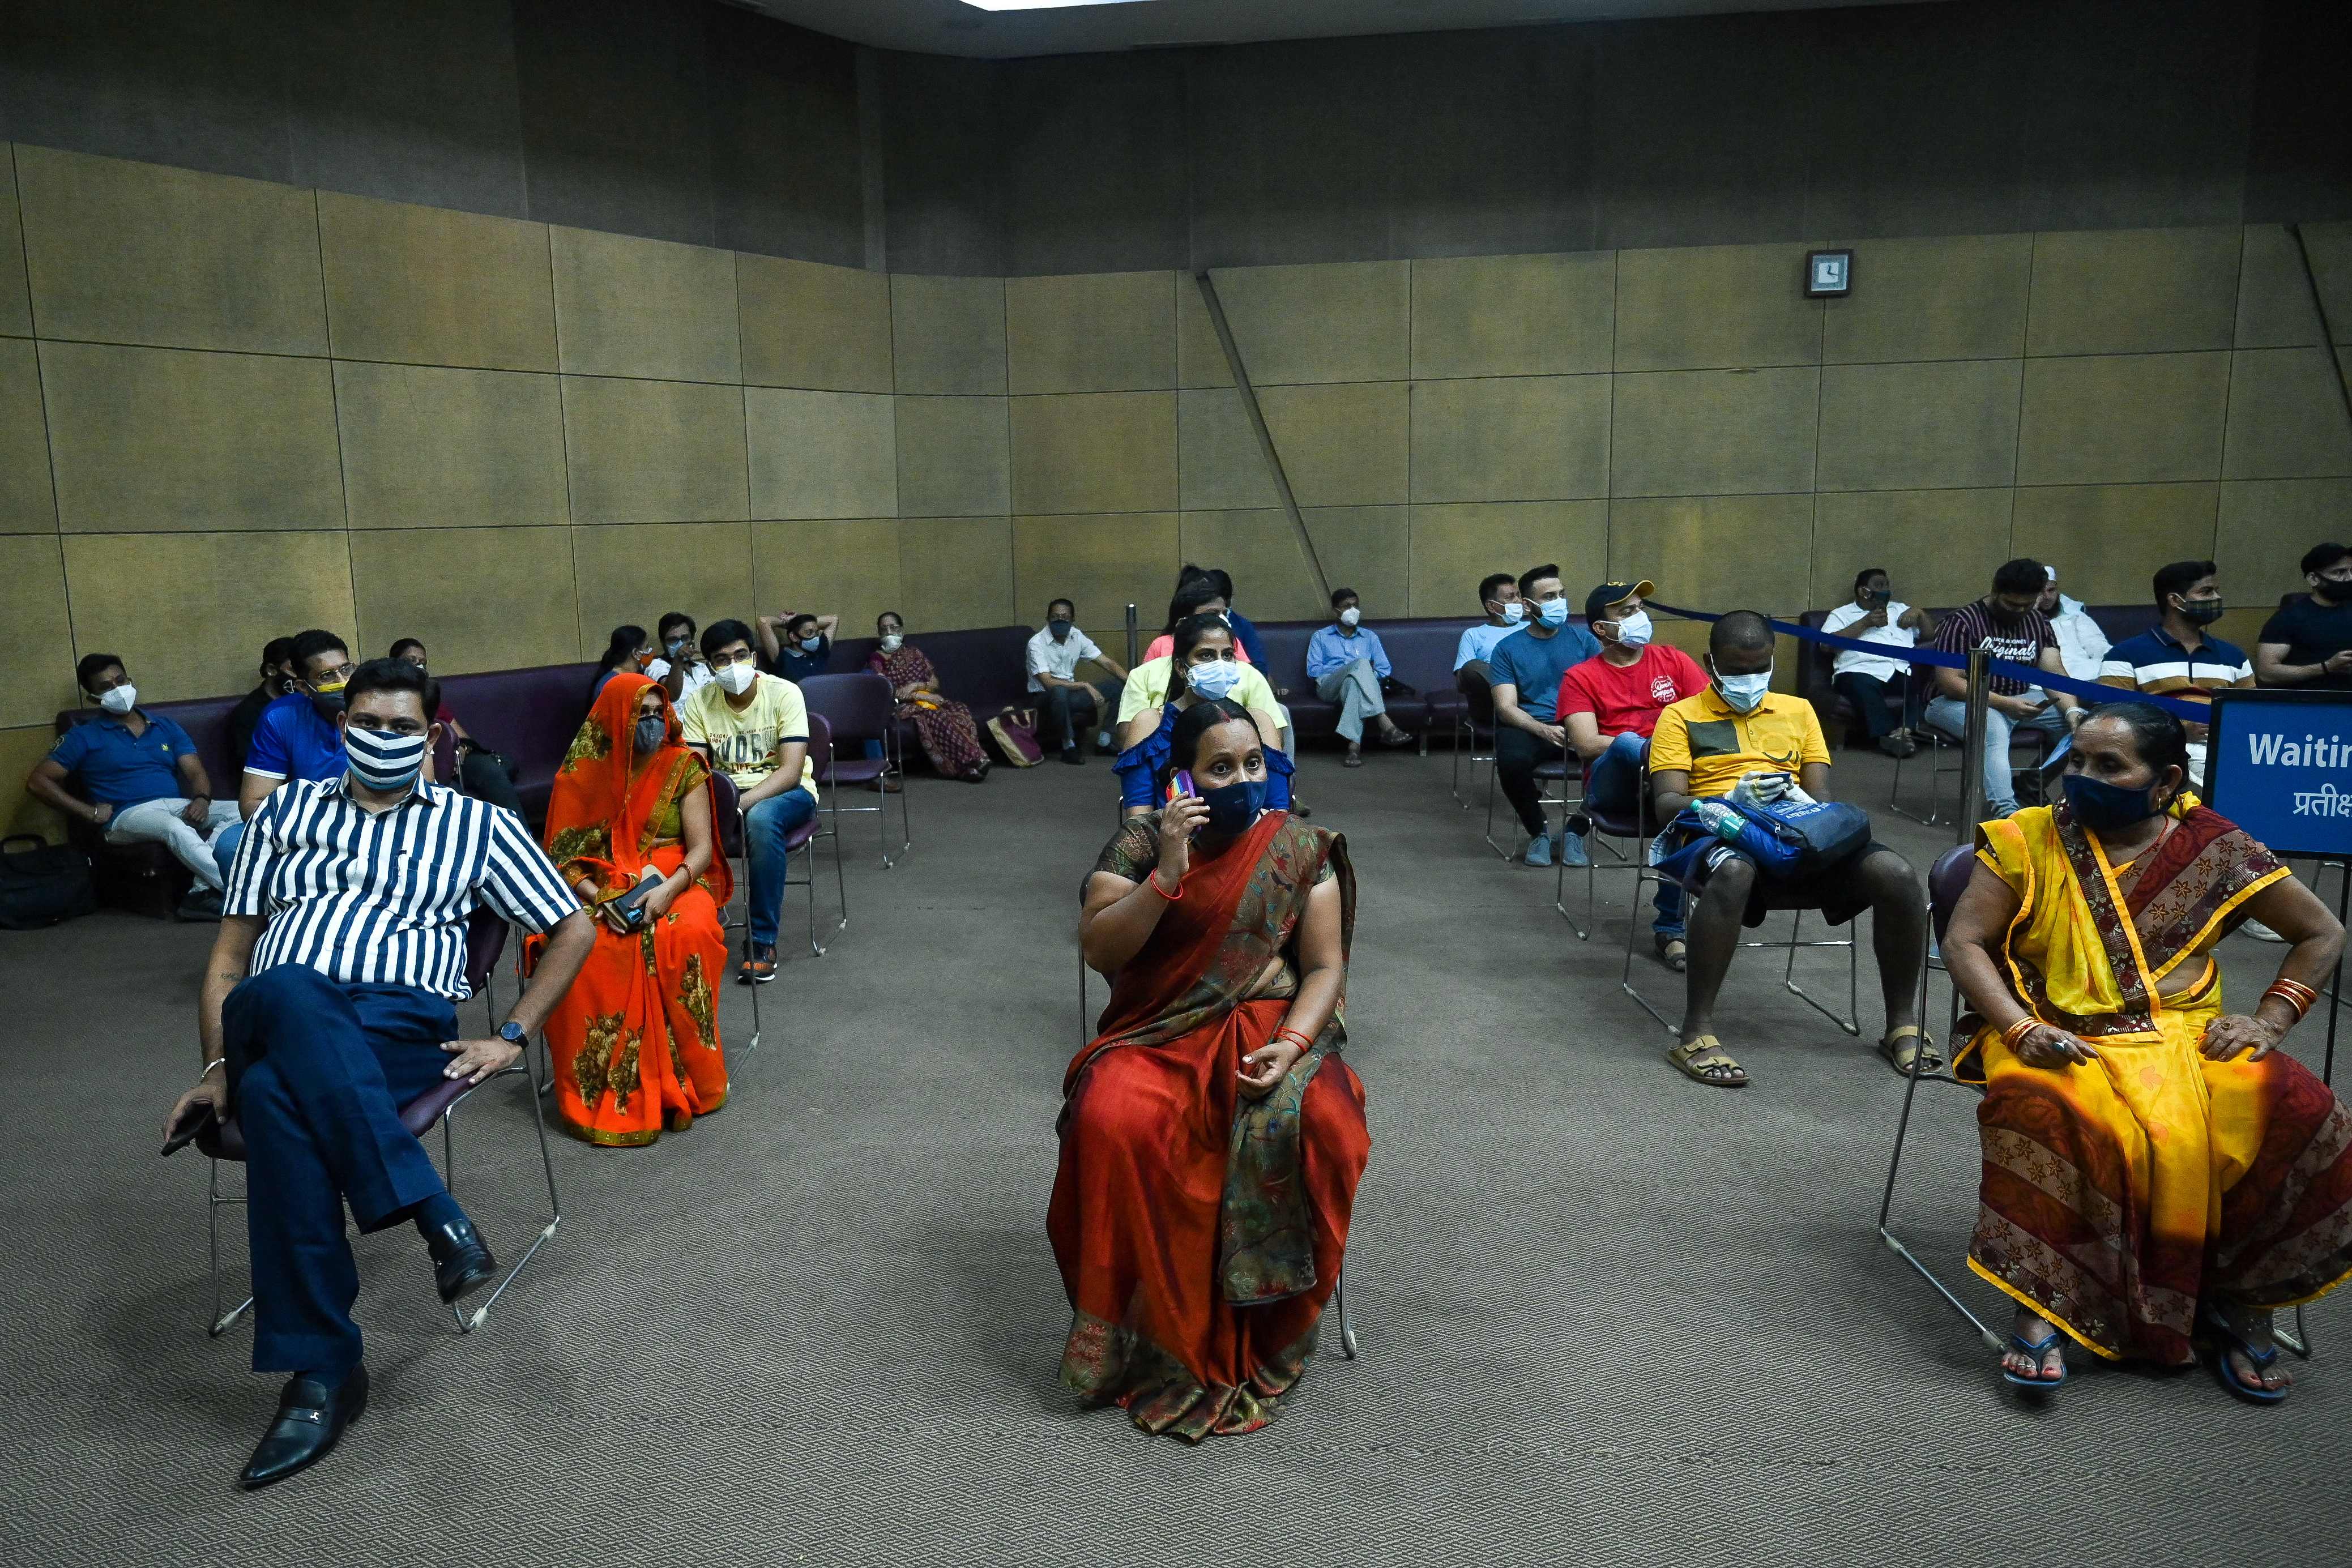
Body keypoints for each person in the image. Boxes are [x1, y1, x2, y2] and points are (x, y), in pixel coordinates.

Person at [159, 656, 592, 1489]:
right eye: (366, 723)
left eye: (400, 727)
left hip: (396, 1025)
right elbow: (228, 960)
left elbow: (570, 927)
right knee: (286, 985)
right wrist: (217, 1069)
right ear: (341, 727)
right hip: (272, 1013)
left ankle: (323, 1373)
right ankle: (431, 1209)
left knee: (284, 1107)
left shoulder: (479, 825)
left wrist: (511, 1032)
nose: (381, 738)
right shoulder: (284, 813)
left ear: (429, 733)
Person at [1940, 702, 2347, 1398]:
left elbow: (2323, 933)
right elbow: (1963, 942)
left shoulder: (2214, 847)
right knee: (2044, 1108)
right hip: (2052, 1032)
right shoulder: (2024, 837)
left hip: (2185, 1036)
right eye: (2076, 761)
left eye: (2108, 766)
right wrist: (2017, 1029)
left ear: (2164, 782)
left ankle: (2242, 1300)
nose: (2082, 777)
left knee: (2295, 1105)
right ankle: (2041, 1308)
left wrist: (2270, 1022)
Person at [1053, 698, 1367, 1439]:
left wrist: (1291, 1045)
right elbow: (1100, 947)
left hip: (1270, 1028)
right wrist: (1168, 871)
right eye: (1219, 768)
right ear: (1181, 779)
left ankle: (1268, 1330)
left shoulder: (1298, 848)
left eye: (1253, 764)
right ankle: (1146, 1335)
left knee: (1322, 1123)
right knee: (1112, 1116)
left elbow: (1324, 968)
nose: (1241, 781)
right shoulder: (1137, 843)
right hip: (1159, 1035)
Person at [1649, 611, 1930, 1087]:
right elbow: (1666, 804)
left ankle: (1901, 1023)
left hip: (1794, 829)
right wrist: (1728, 797)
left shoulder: (1798, 710)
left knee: (1897, 874)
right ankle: (1695, 1032)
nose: (1749, 680)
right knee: (1735, 872)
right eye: (1736, 672)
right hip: (1717, 827)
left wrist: (1796, 799)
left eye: (1759, 669)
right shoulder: (1680, 716)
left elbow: (1819, 799)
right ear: (1709, 663)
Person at [536, 673, 731, 1144]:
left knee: (680, 935)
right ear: (614, 719)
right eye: (639, 714)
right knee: (585, 945)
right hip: (601, 885)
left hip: (679, 875)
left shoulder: (683, 764)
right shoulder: (585, 771)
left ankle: (692, 1079)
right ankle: (606, 1086)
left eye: (656, 713)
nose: (651, 723)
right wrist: (598, 897)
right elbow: (563, 856)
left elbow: (702, 848)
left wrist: (668, 891)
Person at [1556, 582, 1707, 969]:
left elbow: (1709, 720)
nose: (1639, 617)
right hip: (1614, 787)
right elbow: (1587, 744)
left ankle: (1670, 930)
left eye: (1639, 607)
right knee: (1624, 743)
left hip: (1668, 783)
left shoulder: (1672, 660)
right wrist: (1658, 749)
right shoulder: (1580, 676)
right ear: (1601, 629)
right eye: (1625, 612)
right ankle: (1657, 766)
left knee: (1676, 815)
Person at [27, 653, 240, 919]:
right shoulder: (83, 736)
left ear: (130, 680)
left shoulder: (165, 726)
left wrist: (201, 799)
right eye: (107, 687)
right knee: (174, 827)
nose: (119, 690)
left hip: (173, 804)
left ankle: (199, 892)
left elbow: (196, 771)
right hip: (125, 816)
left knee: (246, 810)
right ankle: (242, 896)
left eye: (121, 681)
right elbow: (38, 782)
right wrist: (88, 812)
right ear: (94, 697)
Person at [680, 619, 819, 986]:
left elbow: (790, 771)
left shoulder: (784, 693)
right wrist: (715, 805)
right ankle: (701, 919)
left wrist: (737, 805)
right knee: (673, 815)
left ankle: (761, 941)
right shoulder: (700, 701)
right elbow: (694, 770)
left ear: (754, 656)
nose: (733, 665)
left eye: (741, 655)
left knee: (760, 819)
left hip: (787, 793)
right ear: (711, 667)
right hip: (725, 795)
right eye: (722, 659)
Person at [1924, 557, 2088, 819]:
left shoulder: (2038, 622)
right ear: (1995, 590)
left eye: (2027, 605)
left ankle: (2032, 785)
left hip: (2017, 699)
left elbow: (2054, 673)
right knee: (1991, 726)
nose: (2019, 611)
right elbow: (1950, 682)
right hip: (1953, 703)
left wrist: (2072, 713)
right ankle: (2007, 815)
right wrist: (2005, 705)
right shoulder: (1962, 622)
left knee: (2086, 727)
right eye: (2011, 604)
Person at [1114, 614, 1296, 818]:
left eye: (1227, 655)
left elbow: (1278, 812)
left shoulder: (1258, 722)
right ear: (1181, 668)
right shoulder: (1150, 723)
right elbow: (1139, 819)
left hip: (1252, 840)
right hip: (1172, 840)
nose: (1220, 665)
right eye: (1206, 656)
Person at [1483, 565, 1603, 868]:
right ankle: (1539, 832)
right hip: (1532, 726)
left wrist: (1582, 728)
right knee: (1511, 760)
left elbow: (1603, 694)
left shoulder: (1585, 642)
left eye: (1561, 594)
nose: (1559, 601)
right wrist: (1542, 730)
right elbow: (1506, 707)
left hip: (1580, 722)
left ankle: (1575, 832)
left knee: (1622, 759)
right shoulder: (1507, 649)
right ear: (1528, 605)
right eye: (1549, 596)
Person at [2096, 561, 2254, 787]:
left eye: (2217, 591)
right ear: (2174, 601)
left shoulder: (2234, 656)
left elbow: (2251, 714)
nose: (2216, 598)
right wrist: (2177, 730)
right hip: (2159, 753)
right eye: (2206, 592)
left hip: (2227, 749)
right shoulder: (2125, 654)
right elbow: (2110, 719)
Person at [222, 629, 359, 885]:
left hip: (376, 817)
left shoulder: (379, 705)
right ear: (303, 688)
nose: (342, 681)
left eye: (347, 669)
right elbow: (252, 803)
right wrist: (308, 832)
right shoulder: (280, 716)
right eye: (328, 675)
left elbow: (425, 786)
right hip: (307, 824)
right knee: (229, 844)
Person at [390, 639, 526, 818]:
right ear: (395, 664)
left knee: (491, 772)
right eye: (412, 661)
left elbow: (464, 738)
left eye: (423, 662)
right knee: (451, 801)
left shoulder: (432, 698)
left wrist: (462, 748)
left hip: (456, 763)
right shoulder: (389, 701)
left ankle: (520, 837)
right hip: (422, 767)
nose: (419, 667)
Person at [867, 610, 990, 782]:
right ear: (879, 634)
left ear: (902, 630)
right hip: (902, 706)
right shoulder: (877, 659)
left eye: (893, 628)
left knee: (959, 713)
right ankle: (976, 759)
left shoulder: (915, 653)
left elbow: (934, 683)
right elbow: (888, 691)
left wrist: (916, 686)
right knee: (934, 715)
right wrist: (919, 695)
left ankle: (966, 770)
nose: (889, 633)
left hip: (927, 699)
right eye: (884, 629)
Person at [1821, 569, 1930, 757]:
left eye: (1887, 585)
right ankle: (1888, 736)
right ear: (1863, 591)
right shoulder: (1841, 614)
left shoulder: (1900, 610)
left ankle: (1905, 732)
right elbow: (1826, 645)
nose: (1885, 590)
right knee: (1864, 685)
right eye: (1879, 585)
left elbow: (1931, 636)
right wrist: (1864, 623)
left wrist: (1920, 614)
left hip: (1897, 669)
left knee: (1917, 686)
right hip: (1857, 670)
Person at [1306, 587, 1415, 766]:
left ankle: (1354, 748)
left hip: (1353, 686)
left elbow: (1383, 669)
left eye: (1355, 606)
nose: (1353, 610)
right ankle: (1383, 721)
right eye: (1347, 606)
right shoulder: (1320, 637)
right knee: (1361, 664)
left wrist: (1357, 675)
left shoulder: (1369, 637)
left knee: (1354, 682)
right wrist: (1348, 669)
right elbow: (1314, 671)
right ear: (1336, 610)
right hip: (1328, 686)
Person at [1027, 597, 1129, 765]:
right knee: (1059, 692)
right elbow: (1048, 682)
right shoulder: (1036, 643)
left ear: (1072, 620)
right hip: (1044, 697)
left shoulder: (1076, 636)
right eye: (1055, 617)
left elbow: (1107, 663)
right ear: (1048, 619)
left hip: (1071, 695)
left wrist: (1133, 682)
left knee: (1119, 687)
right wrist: (1085, 685)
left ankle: (1105, 740)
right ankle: (1068, 746)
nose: (1060, 621)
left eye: (1065, 617)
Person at [2255, 541, 2352, 690]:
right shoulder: (2289, 618)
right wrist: (2326, 667)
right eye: (2340, 573)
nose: (2349, 578)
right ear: (2314, 579)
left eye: (2351, 571)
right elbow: (2266, 673)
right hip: (2307, 705)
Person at [1141, 576, 1254, 665]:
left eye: (1224, 613)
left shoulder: (1232, 642)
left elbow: (1248, 680)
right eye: (1212, 614)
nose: (1221, 619)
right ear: (1186, 618)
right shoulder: (1161, 644)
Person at [226, 636, 298, 772]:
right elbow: (254, 766)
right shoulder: (250, 713)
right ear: (272, 670)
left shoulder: (310, 703)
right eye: (294, 670)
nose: (301, 677)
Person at [2038, 567, 2112, 685]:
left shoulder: (2075, 616)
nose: (2047, 597)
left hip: (2091, 678)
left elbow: (2099, 647)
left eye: (2051, 590)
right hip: (2046, 684)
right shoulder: (2027, 624)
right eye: (2041, 592)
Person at [1453, 572, 1526, 673]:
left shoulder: (1531, 627)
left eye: (1518, 595)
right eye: (1510, 597)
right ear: (1491, 606)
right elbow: (1464, 677)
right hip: (1493, 685)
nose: (1518, 601)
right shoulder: (1473, 635)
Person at [645, 611, 715, 705]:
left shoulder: (702, 668)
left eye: (685, 638)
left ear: (692, 639)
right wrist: (679, 658)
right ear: (663, 642)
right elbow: (672, 695)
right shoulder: (656, 666)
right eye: (673, 640)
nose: (680, 645)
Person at [758, 609, 839, 683]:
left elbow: (833, 620)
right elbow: (763, 622)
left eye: (816, 632)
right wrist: (790, 623)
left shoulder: (820, 650)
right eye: (809, 633)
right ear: (793, 637)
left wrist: (801, 621)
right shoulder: (782, 657)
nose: (815, 637)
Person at [589, 625, 655, 702]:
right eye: (646, 647)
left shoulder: (628, 678)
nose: (650, 651)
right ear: (636, 653)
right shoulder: (613, 684)